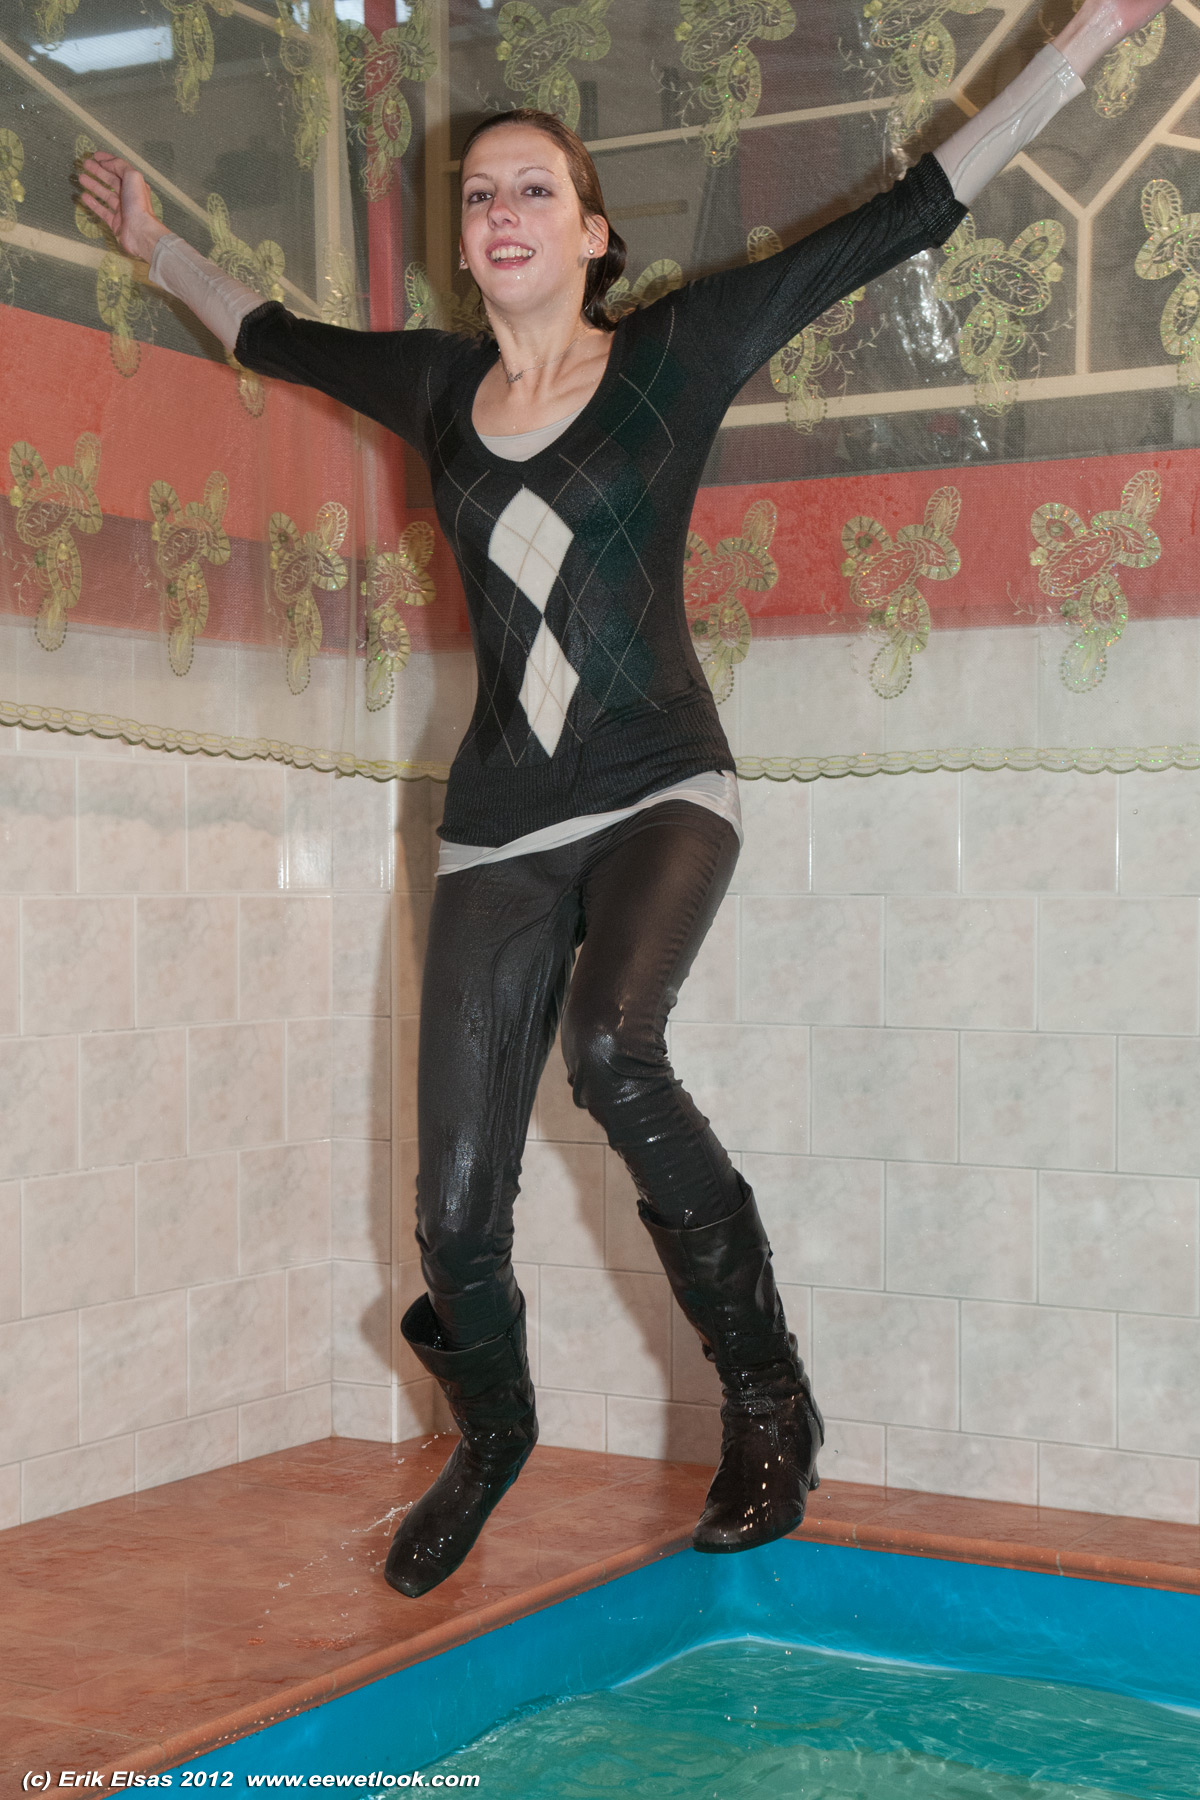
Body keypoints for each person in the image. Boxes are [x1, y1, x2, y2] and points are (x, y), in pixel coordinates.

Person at [80, 0, 1166, 1598]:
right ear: (469, 246)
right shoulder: (434, 385)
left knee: (609, 1047)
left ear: (592, 235)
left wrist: (1080, 43)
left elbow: (909, 213)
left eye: (535, 188)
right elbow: (271, 332)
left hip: (663, 786)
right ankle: (494, 1429)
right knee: (455, 1220)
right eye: (480, 196)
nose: (501, 209)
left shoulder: (673, 354)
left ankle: (769, 1399)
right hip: (498, 828)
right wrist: (159, 245)